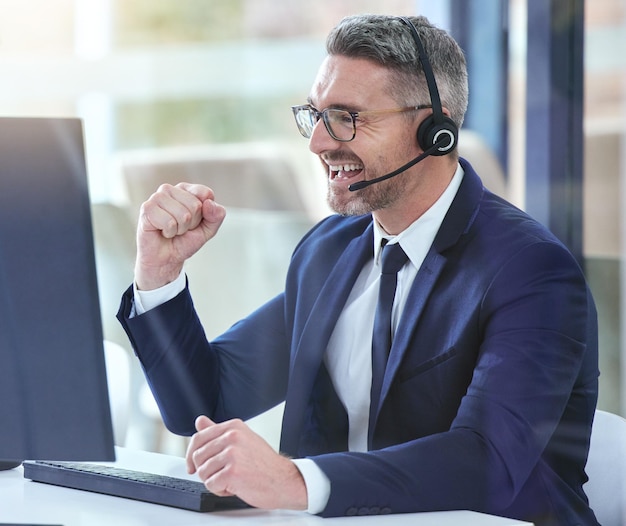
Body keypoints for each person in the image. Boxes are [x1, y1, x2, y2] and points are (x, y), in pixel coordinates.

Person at [117, 14, 600, 526]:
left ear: (435, 130)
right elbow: (203, 402)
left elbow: (487, 462)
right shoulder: (328, 252)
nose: (318, 144)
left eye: (346, 117)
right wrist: (159, 273)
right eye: (315, 115)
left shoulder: (531, 270)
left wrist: (296, 482)